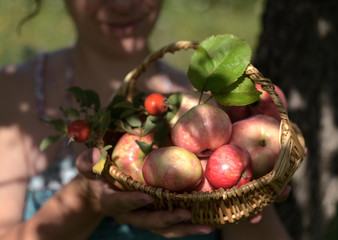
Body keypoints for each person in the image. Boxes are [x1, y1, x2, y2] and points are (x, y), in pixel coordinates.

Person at [0, 0, 291, 239]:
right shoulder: (14, 94)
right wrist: (86, 200)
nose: (123, 5)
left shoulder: (203, 102)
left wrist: (243, 198)